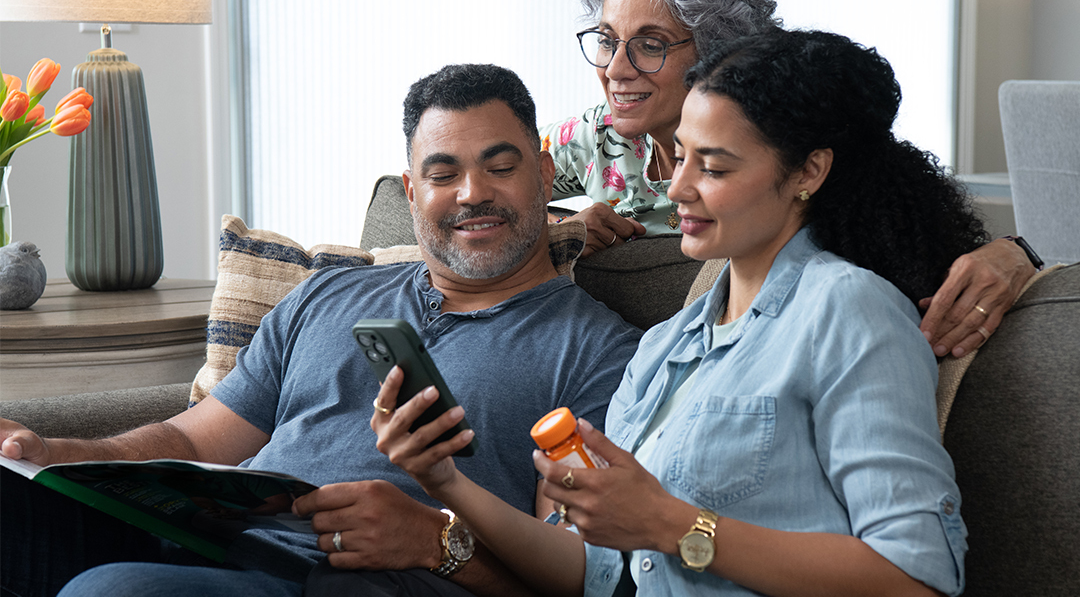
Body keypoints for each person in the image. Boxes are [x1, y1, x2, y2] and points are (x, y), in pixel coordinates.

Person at [374, 30, 981, 597]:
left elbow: (915, 574)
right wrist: (445, 482)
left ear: (808, 172)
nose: (678, 188)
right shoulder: (666, 344)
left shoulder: (849, 311)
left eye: (713, 167)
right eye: (680, 158)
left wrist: (672, 524)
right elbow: (593, 571)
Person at [0, 64, 643, 597]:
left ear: (543, 169)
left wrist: (437, 542)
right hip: (217, 543)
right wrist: (49, 453)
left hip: (356, 581)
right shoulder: (328, 293)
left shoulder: (596, 353)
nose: (472, 192)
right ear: (413, 192)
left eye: (500, 166)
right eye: (444, 174)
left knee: (114, 594)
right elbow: (188, 439)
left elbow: (582, 578)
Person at [542, 0, 1038, 359]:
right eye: (607, 39)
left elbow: (902, 222)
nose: (614, 68)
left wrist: (1017, 253)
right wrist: (561, 227)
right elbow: (489, 192)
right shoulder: (595, 138)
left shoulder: (789, 154)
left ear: (718, 51)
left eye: (651, 44)